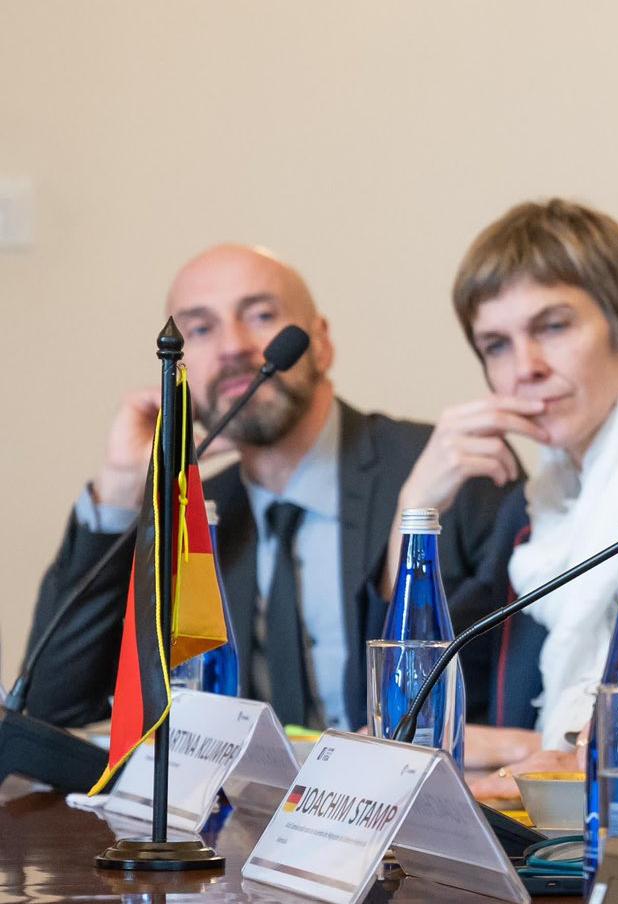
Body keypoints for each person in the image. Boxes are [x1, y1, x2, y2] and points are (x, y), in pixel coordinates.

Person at [24, 244, 511, 730]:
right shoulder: (195, 516)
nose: (233, 346)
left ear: (321, 342)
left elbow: (501, 699)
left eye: (260, 315)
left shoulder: (448, 476)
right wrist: (122, 488)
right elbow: (54, 706)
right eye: (199, 328)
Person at [385, 199, 618, 791]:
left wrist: (534, 754)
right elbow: (420, 704)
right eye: (496, 345)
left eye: (552, 327)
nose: (524, 368)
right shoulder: (536, 511)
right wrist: (415, 509)